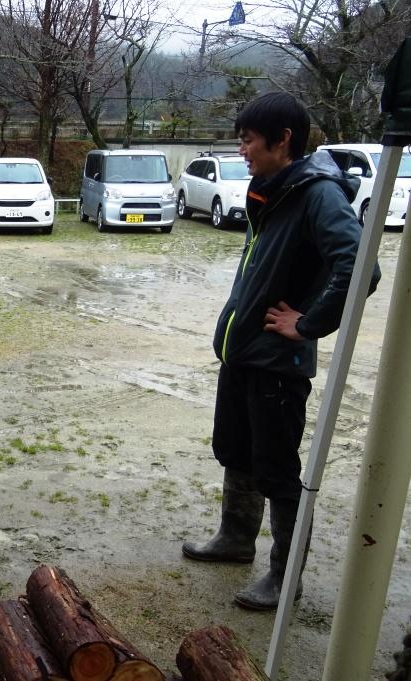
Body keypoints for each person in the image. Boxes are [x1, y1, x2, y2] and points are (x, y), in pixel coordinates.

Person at [181, 92, 380, 610]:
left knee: (277, 473)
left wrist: (308, 323)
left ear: (282, 139)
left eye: (248, 140)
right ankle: (235, 538)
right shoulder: (275, 190)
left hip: (277, 365)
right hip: (243, 355)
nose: (242, 149)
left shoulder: (318, 194)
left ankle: (283, 578)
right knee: (236, 452)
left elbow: (361, 268)